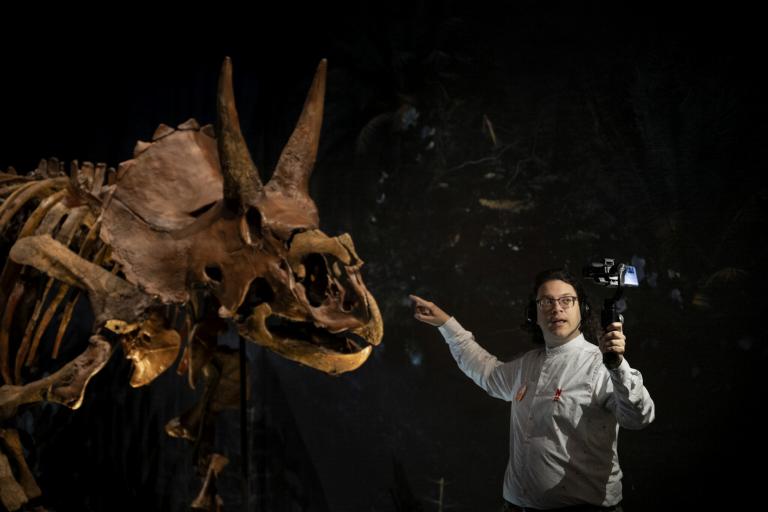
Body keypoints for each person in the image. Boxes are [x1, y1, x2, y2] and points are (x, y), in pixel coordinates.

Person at [410, 268, 655, 512]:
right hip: (515, 506)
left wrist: (617, 365)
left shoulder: (600, 364)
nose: (556, 308)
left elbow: (637, 417)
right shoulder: (528, 364)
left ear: (583, 310)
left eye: (566, 300)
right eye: (546, 301)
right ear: (533, 314)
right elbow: (486, 371)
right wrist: (446, 323)